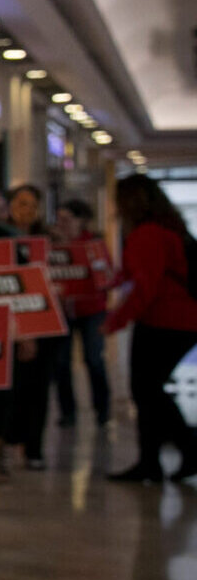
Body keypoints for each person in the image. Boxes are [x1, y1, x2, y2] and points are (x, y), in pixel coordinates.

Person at [104, 174, 197, 482]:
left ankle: (180, 451)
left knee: (146, 389)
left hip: (165, 321)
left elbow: (146, 286)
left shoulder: (148, 234)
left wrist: (117, 321)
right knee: (149, 390)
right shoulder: (170, 228)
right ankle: (153, 461)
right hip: (180, 320)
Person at [1, 183, 54, 472]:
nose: (26, 211)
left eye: (32, 206)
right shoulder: (1, 236)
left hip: (42, 321)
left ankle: (34, 447)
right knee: (13, 387)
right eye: (21, 204)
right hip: (9, 323)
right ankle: (8, 441)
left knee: (38, 389)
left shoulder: (46, 239)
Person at [53, 198, 112, 429]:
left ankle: (102, 409)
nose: (62, 224)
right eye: (59, 220)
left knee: (93, 359)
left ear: (81, 220)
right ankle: (68, 412)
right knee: (61, 363)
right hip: (64, 311)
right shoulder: (54, 245)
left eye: (67, 219)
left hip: (91, 310)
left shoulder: (94, 244)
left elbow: (107, 275)